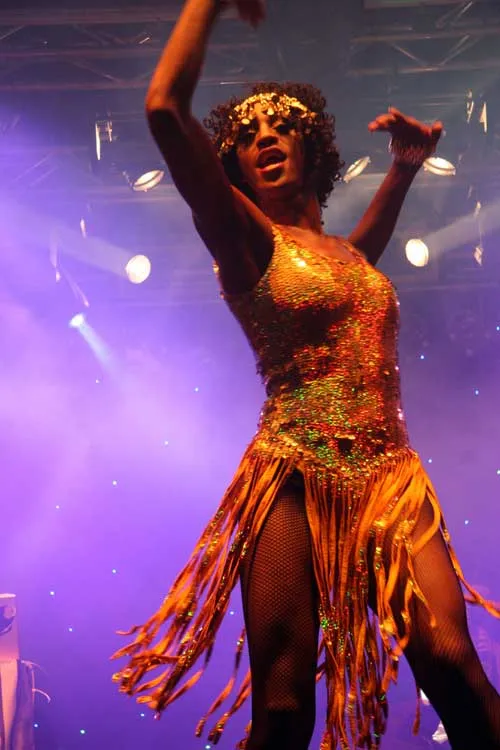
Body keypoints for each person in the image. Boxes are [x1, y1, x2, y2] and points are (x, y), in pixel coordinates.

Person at [112, 1, 500, 748]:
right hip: (292, 473)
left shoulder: (346, 256)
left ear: (312, 149)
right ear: (232, 167)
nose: (263, 136)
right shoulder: (243, 238)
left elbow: (354, 262)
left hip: (389, 475)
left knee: (455, 664)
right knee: (286, 708)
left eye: (280, 125)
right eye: (245, 134)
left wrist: (403, 169)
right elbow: (164, 108)